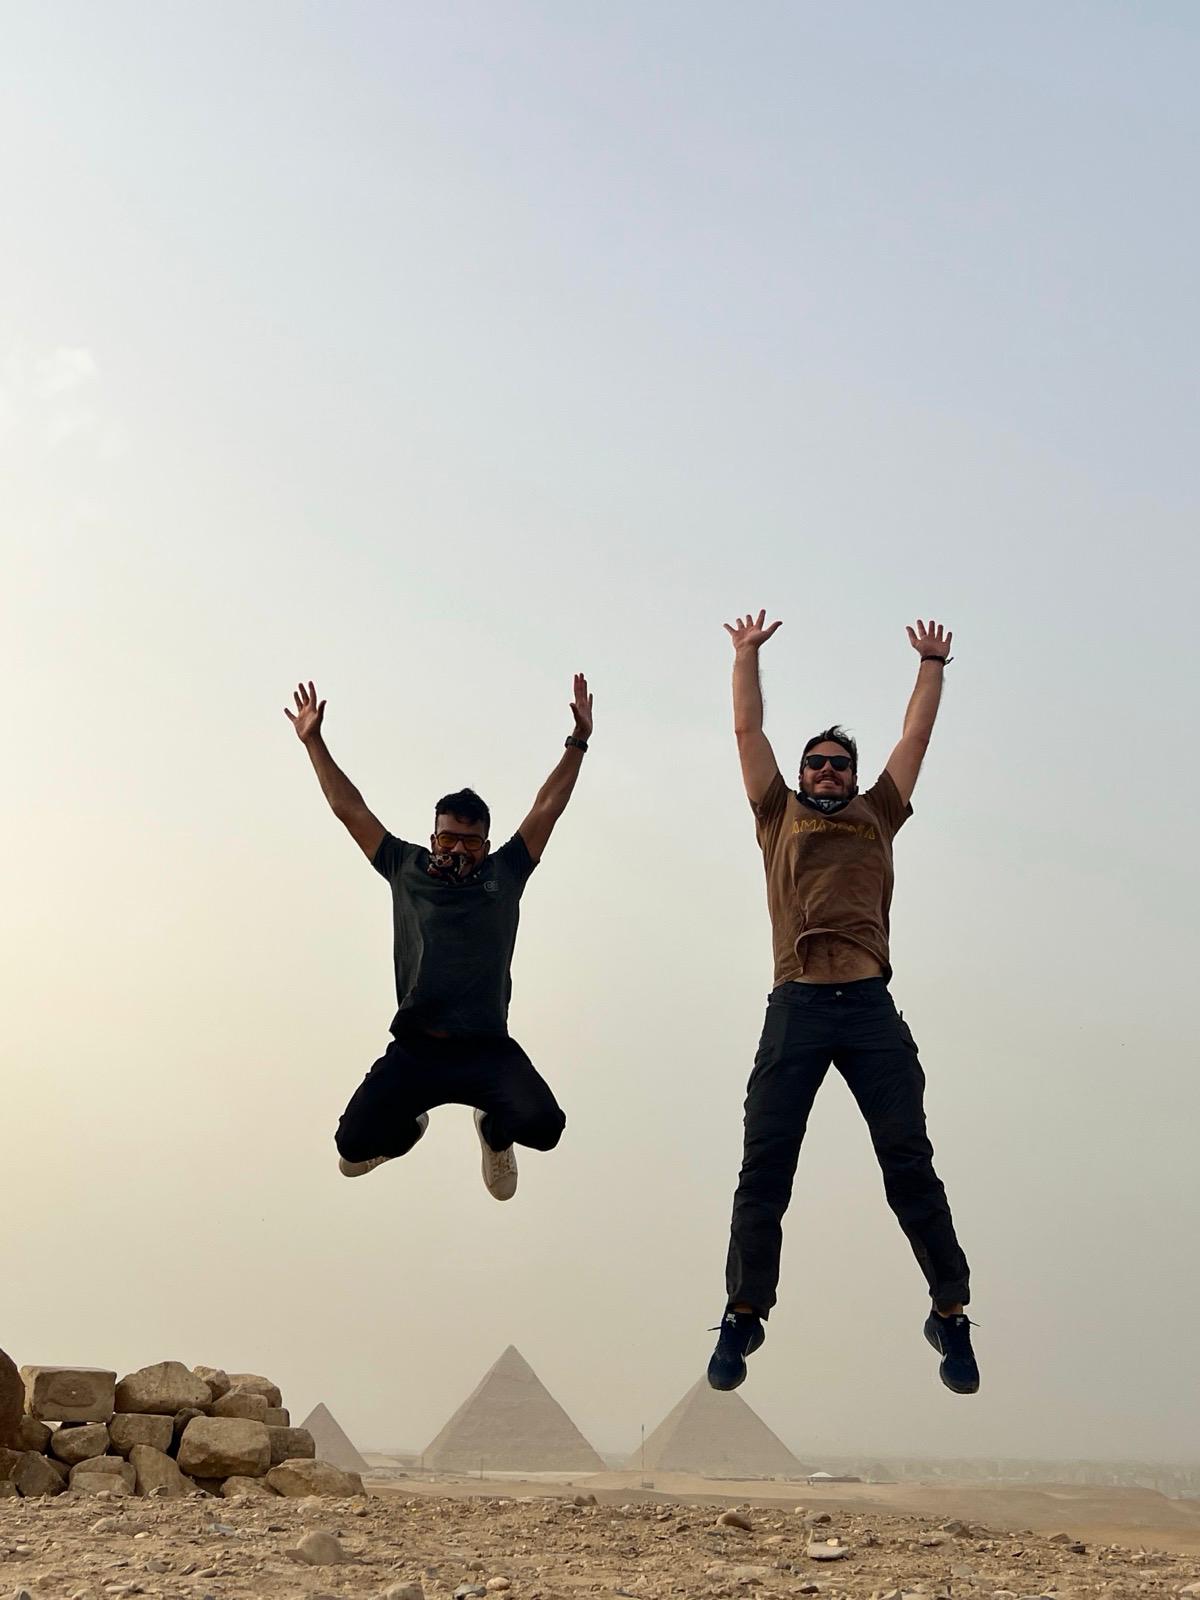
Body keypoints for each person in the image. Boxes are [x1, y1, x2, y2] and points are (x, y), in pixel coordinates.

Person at [707, 614, 978, 1395]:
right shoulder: (776, 815)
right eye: (816, 764)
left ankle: (950, 1313)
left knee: (909, 1163)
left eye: (839, 765)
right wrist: (746, 654)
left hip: (866, 1007)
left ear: (854, 778)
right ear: (799, 776)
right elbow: (746, 729)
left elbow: (914, 743)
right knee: (765, 1169)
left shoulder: (877, 813)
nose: (827, 771)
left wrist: (932, 664)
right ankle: (743, 1311)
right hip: (795, 1004)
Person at [284, 673, 593, 1200]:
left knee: (545, 1126)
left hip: (486, 1049)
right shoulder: (405, 866)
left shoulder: (505, 874)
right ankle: (411, 1126)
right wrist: (314, 742)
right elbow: (350, 808)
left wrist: (578, 742)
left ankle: (494, 1131)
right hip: (418, 1050)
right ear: (433, 836)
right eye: (448, 837)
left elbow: (547, 807)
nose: (458, 850)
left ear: (486, 843)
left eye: (470, 842)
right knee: (351, 1150)